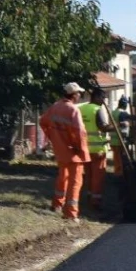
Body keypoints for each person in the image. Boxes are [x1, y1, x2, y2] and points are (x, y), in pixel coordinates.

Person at [40, 82, 90, 223]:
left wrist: (52, 137)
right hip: (73, 152)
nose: (80, 95)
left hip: (60, 150)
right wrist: (80, 149)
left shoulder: (55, 107)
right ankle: (71, 213)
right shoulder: (73, 110)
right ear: (74, 95)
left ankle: (57, 205)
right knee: (75, 182)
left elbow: (42, 121)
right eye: (79, 93)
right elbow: (79, 132)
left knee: (63, 177)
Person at [78, 87, 112, 211]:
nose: (104, 100)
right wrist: (117, 127)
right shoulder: (98, 110)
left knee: (88, 176)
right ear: (96, 97)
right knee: (98, 178)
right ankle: (95, 203)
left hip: (84, 149)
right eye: (103, 98)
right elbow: (103, 127)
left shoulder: (81, 109)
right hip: (98, 150)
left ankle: (88, 198)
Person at [110, 96, 132, 177]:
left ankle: (117, 174)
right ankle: (120, 176)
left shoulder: (113, 112)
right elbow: (124, 129)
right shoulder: (123, 113)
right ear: (125, 104)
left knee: (116, 160)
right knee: (121, 161)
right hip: (120, 141)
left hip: (113, 140)